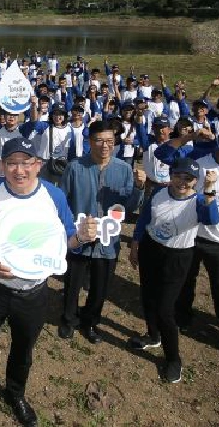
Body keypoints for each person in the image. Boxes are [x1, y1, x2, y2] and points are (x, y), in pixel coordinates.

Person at [0, 137, 96, 427]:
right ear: (2, 165)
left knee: (23, 348)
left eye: (26, 163)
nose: (19, 170)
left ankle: (15, 394)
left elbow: (66, 241)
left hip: (33, 293)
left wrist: (81, 238)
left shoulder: (53, 196)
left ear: (38, 165)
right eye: (12, 162)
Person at [154, 124, 219, 368]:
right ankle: (181, 317)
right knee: (183, 280)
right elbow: (163, 155)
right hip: (189, 233)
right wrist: (189, 137)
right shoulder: (199, 160)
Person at [128, 158, 219, 383]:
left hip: (177, 256)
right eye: (178, 175)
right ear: (171, 175)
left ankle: (173, 359)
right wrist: (135, 243)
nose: (182, 182)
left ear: (195, 182)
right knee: (148, 296)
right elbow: (144, 219)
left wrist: (209, 191)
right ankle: (152, 335)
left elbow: (212, 219)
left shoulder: (199, 200)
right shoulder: (159, 193)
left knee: (165, 309)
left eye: (188, 179)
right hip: (151, 249)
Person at [58, 119, 145, 342]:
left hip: (108, 240)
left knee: (100, 287)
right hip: (79, 237)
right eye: (99, 140)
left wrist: (138, 187)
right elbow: (63, 201)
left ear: (115, 141)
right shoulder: (75, 167)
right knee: (73, 283)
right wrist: (69, 232)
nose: (105, 145)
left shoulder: (124, 169)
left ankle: (90, 322)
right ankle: (68, 320)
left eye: (109, 141)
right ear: (90, 141)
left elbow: (130, 205)